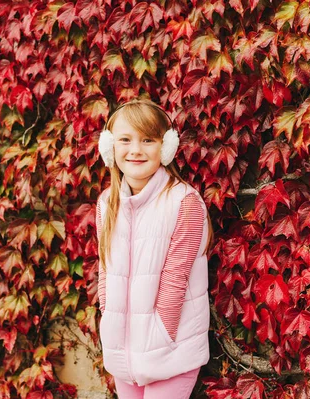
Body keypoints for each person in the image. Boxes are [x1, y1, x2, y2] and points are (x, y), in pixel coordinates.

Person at [95, 98, 211, 399]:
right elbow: (105, 269)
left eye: (148, 140)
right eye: (125, 140)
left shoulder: (183, 202)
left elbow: (175, 278)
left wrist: (161, 334)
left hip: (170, 351)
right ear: (109, 147)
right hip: (124, 353)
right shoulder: (108, 203)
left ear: (167, 147)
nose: (135, 150)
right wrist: (108, 319)